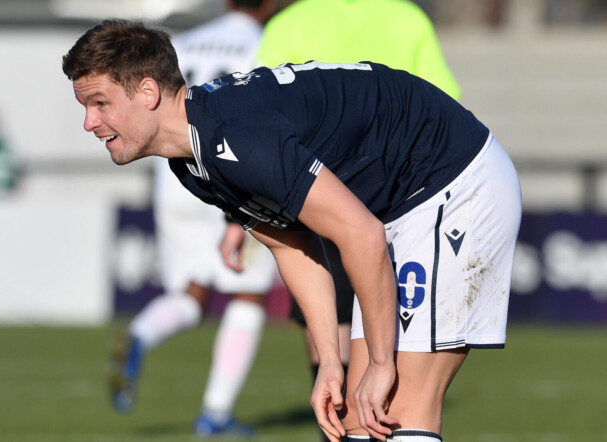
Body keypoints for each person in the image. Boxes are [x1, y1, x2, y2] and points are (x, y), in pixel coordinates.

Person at [62, 19, 521, 442]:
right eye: (85, 107)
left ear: (147, 91)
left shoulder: (235, 137)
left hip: (455, 181)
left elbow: (362, 235)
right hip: (404, 204)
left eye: (100, 103)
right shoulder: (192, 162)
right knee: (360, 419)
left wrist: (382, 362)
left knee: (401, 407)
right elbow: (293, 245)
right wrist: (329, 361)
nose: (89, 123)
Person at [253, 2, 462, 438]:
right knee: (391, 340)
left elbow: (257, 118)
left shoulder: (293, 21)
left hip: (316, 196)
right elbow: (445, 102)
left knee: (331, 329)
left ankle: (338, 426)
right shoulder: (406, 17)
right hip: (399, 197)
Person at [107, 0, 279, 437]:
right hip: (234, 174)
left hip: (177, 178)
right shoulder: (268, 44)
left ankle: (141, 333)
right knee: (247, 295)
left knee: (191, 294)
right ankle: (215, 413)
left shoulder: (180, 44)